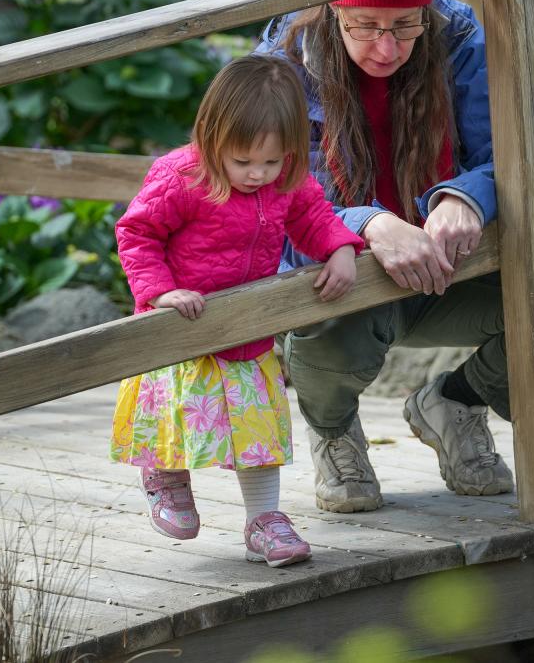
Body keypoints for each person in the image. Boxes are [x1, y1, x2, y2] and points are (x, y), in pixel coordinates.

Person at [257, 0, 534, 513]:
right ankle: (334, 433)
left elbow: (509, 153)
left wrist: (467, 196)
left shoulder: (458, 37)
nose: (387, 48)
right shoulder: (282, 64)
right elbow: (280, 208)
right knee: (329, 315)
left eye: (406, 26)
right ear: (333, 8)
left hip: (454, 267)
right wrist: (372, 224)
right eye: (366, 27)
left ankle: (454, 402)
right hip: (349, 282)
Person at [110, 55, 365, 566]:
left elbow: (313, 216)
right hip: (186, 327)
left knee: (257, 432)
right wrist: (159, 293)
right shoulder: (180, 176)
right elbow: (137, 233)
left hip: (249, 332)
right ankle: (165, 474)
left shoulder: (286, 179)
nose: (257, 174)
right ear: (211, 138)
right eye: (243, 161)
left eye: (271, 162)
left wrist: (340, 247)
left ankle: (263, 520)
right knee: (177, 413)